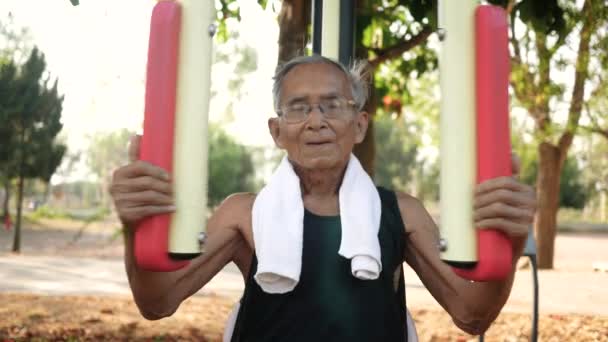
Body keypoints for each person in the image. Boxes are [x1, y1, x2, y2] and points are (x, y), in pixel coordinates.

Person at [109, 55, 536, 341]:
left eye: (333, 105)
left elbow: (473, 315)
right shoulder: (245, 214)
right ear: (277, 132)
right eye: (298, 108)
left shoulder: (400, 213)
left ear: (360, 124)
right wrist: (135, 228)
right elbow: (156, 302)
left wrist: (511, 239)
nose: (317, 122)